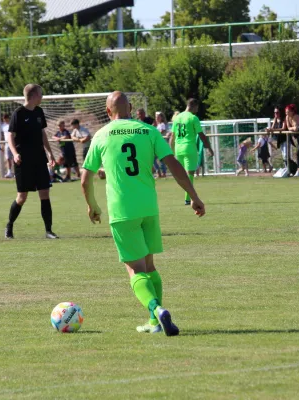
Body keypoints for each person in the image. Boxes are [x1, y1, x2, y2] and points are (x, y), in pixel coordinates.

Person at [81, 91, 206, 337]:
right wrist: (194, 196)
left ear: (108, 112)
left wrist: (92, 206)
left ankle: (156, 309)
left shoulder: (101, 134)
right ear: (130, 108)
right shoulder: (149, 131)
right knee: (149, 266)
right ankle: (155, 322)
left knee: (135, 270)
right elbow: (174, 165)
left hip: (122, 210)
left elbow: (85, 179)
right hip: (149, 208)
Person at [5, 84, 58, 240]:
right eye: (40, 94)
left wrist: (49, 153)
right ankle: (9, 226)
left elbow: (42, 134)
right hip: (23, 161)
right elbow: (10, 136)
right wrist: (15, 154)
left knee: (45, 193)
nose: (42, 97)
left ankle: (49, 231)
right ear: (34, 95)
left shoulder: (39, 112)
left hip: (39, 159)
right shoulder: (18, 113)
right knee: (22, 197)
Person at [170, 98, 214, 205]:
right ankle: (188, 199)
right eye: (197, 107)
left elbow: (172, 136)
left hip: (178, 149)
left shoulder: (177, 118)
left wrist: (171, 151)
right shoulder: (193, 118)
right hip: (189, 148)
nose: (197, 110)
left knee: (182, 174)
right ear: (193, 106)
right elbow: (201, 135)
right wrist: (209, 148)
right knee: (190, 174)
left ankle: (187, 197)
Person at [153, 112, 168, 178]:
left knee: (161, 159)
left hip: (161, 144)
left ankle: (162, 173)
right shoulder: (157, 125)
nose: (157, 118)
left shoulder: (162, 124)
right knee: (155, 159)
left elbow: (162, 132)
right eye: (156, 117)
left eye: (158, 116)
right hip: (157, 144)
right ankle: (159, 172)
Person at [1, 114, 14, 178]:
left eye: (6, 119)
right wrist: (2, 144)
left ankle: (16, 172)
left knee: (15, 158)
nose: (5, 120)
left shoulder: (12, 124)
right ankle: (9, 172)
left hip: (13, 143)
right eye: (3, 119)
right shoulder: (2, 126)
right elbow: (2, 135)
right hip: (6, 143)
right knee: (8, 158)